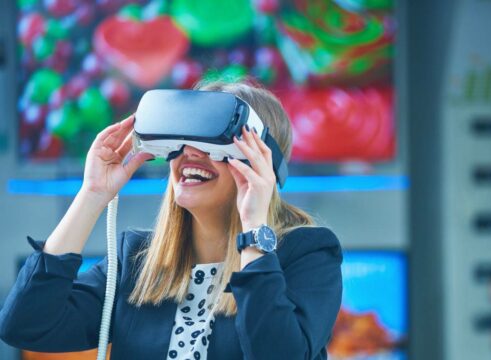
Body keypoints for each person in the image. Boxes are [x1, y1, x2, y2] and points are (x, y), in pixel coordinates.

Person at [0, 80, 343, 360]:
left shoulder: (307, 255)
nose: (191, 152)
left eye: (215, 140)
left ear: (260, 161)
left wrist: (254, 229)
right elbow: (26, 325)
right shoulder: (135, 260)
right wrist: (91, 195)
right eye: (184, 139)